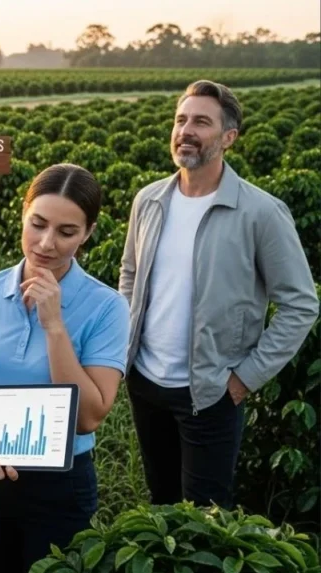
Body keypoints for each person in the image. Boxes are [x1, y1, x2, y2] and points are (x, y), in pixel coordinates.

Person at [118, 80, 318, 510]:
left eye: (202, 122)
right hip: (146, 383)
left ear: (229, 137)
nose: (186, 130)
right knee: (162, 502)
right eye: (181, 119)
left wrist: (245, 377)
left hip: (210, 391)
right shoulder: (149, 200)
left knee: (206, 516)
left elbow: (300, 303)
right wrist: (126, 346)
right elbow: (130, 272)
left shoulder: (260, 212)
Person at [0, 163, 130, 573]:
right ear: (23, 213)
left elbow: (89, 417)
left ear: (88, 232)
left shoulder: (106, 307)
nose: (46, 243)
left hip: (58, 490)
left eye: (66, 232)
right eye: (37, 224)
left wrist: (54, 325)